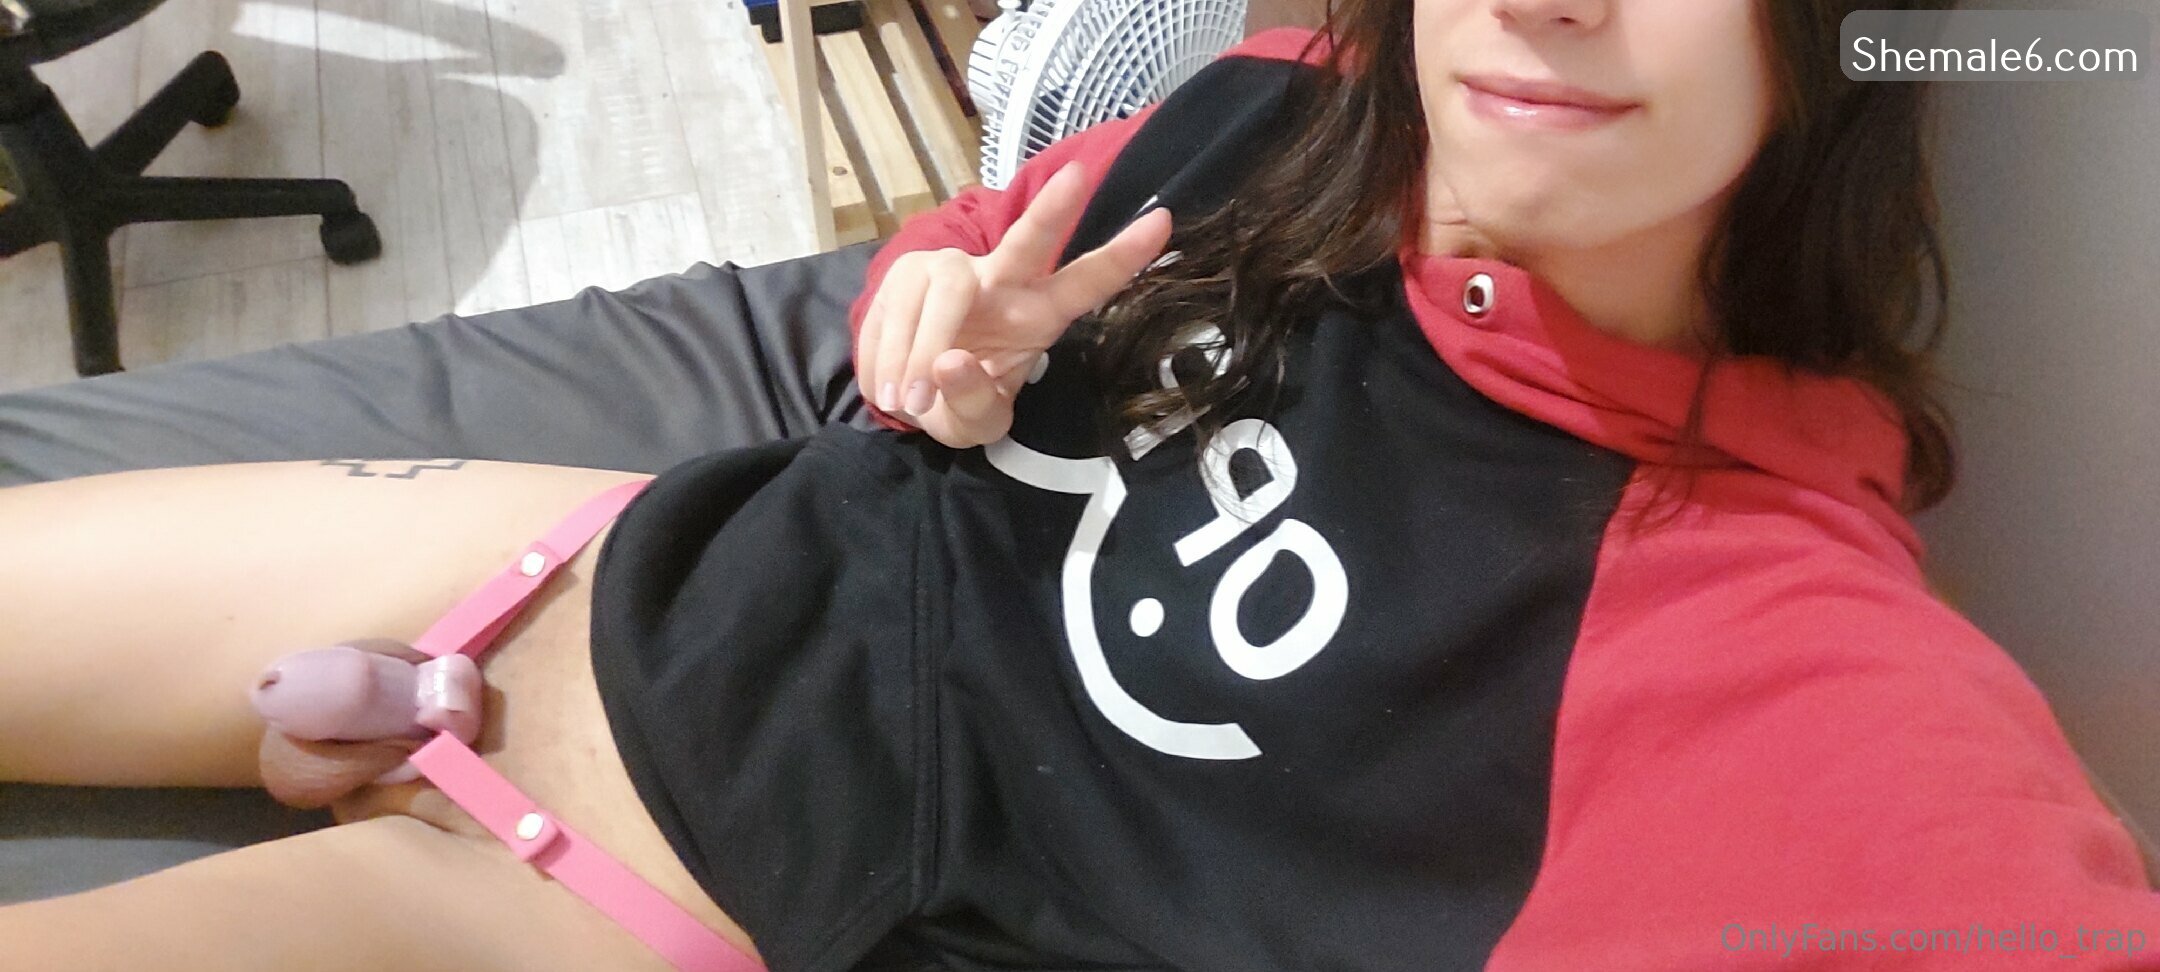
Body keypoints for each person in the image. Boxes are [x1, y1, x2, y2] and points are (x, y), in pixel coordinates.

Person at [2, 2, 2155, 971]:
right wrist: (933, 322)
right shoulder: (1312, 97)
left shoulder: (1771, 639)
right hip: (584, 562)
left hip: (616, 905)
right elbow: (987, 229)